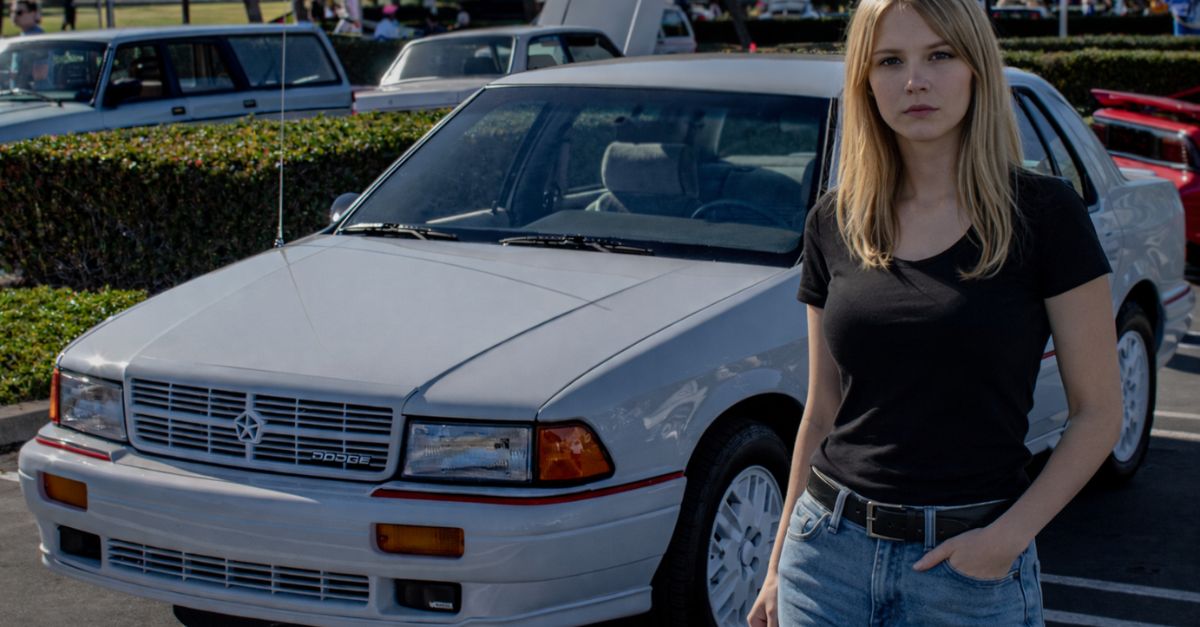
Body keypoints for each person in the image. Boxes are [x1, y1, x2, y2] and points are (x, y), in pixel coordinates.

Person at [747, 0, 1122, 625]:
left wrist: (1002, 543)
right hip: (826, 558)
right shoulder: (835, 222)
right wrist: (778, 560)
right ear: (866, 81)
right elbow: (822, 408)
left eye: (939, 55)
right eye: (890, 60)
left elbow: (1099, 414)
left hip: (967, 572)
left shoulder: (1045, 215)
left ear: (976, 66)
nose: (914, 80)